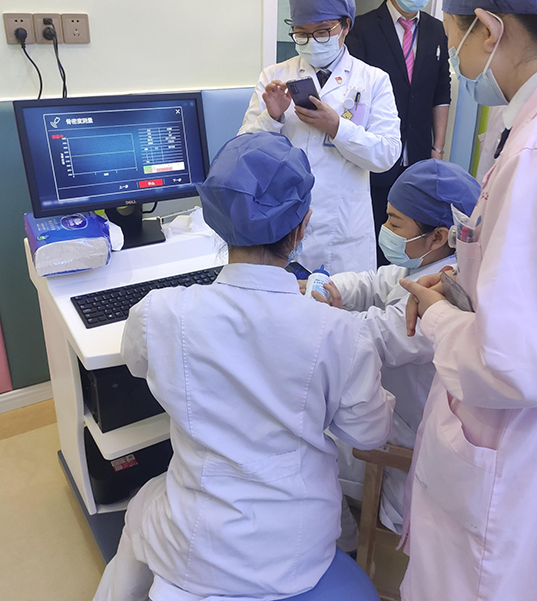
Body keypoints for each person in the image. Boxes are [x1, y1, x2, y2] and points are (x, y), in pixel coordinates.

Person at [92, 132, 394, 601]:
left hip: (198, 545)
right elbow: (369, 433)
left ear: (216, 221)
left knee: (143, 507)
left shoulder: (161, 313)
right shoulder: (339, 332)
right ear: (302, 227)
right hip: (298, 548)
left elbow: (135, 362)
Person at [398, 1, 537, 600]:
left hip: (517, 465)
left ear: (489, 30)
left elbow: (516, 364)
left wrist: (439, 317)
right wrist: (465, 288)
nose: (455, 57)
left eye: (454, 37)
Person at [310, 159, 479, 536]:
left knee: (312, 445)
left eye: (394, 223)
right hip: (396, 424)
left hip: (406, 455)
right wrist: (332, 288)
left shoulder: (445, 295)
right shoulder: (423, 265)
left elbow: (375, 335)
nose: (385, 230)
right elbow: (374, 282)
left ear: (438, 237)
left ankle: (350, 544)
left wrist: (317, 315)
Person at [239, 0, 402, 275]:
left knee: (343, 300)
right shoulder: (274, 76)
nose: (312, 42)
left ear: (345, 26)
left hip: (343, 234)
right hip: (280, 232)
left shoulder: (374, 80)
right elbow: (243, 153)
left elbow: (386, 154)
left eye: (323, 31)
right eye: (302, 33)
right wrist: (272, 118)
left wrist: (337, 128)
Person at [347, 0, 452, 266]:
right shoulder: (363, 28)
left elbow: (441, 91)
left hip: (418, 151)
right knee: (373, 229)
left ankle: (402, 283)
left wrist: (437, 148)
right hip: (375, 153)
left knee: (411, 233)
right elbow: (353, 95)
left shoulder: (436, 30)